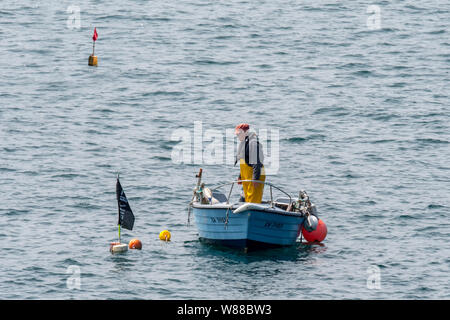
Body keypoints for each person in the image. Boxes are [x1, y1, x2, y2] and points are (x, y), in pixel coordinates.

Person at [234, 123, 265, 203]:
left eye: (239, 134)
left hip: (255, 176)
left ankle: (253, 213)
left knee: (253, 200)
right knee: (246, 198)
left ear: (246, 132)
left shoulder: (253, 143)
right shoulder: (244, 143)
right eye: (237, 135)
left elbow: (256, 163)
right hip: (247, 177)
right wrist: (240, 176)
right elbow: (245, 162)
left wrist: (255, 179)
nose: (238, 137)